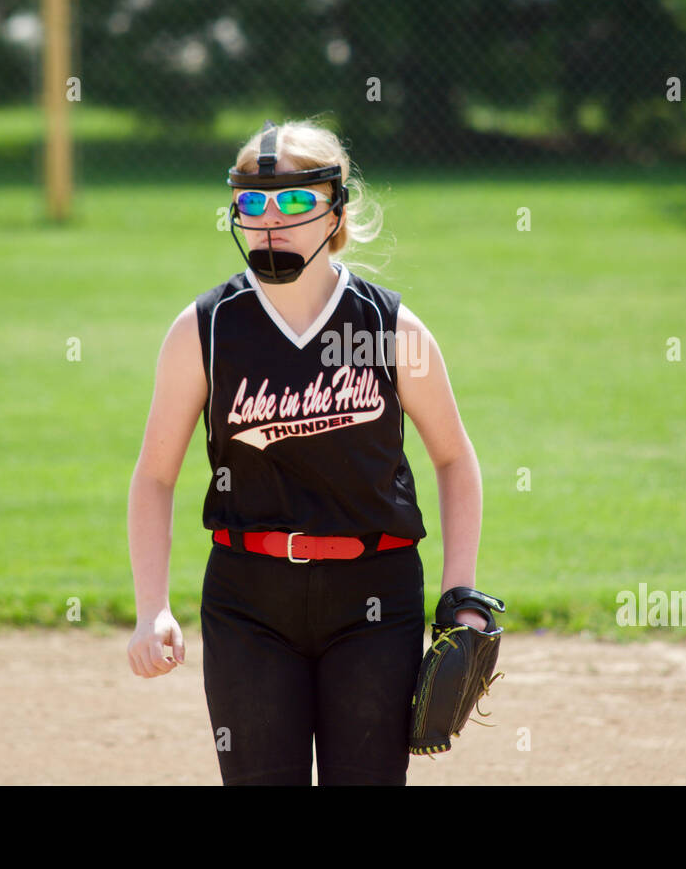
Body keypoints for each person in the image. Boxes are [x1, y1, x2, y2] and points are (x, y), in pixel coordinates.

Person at [126, 118, 487, 785]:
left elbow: (454, 459)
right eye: (251, 202)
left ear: (336, 209)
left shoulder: (386, 326)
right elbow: (153, 476)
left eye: (294, 201)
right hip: (247, 601)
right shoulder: (206, 330)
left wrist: (459, 593)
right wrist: (153, 608)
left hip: (374, 600)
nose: (270, 221)